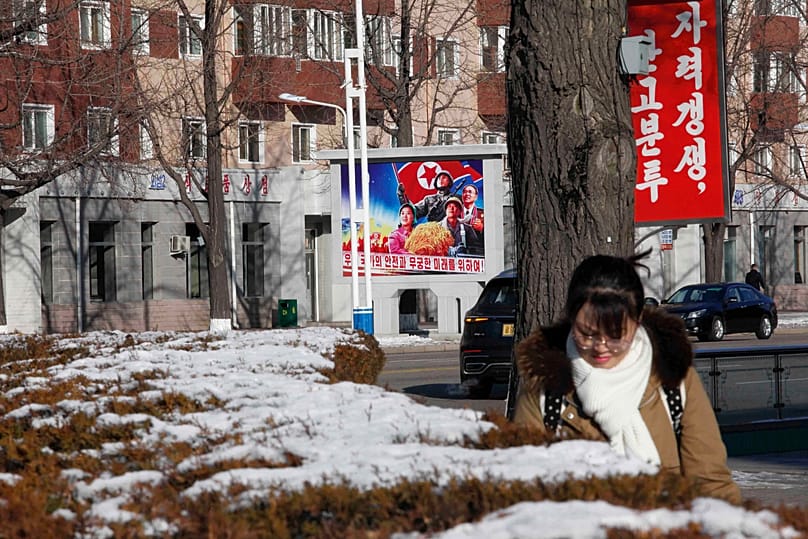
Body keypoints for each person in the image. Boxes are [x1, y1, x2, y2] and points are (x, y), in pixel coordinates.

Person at [512, 253, 741, 504]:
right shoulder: (545, 388)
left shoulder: (673, 380)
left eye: (616, 335)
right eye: (586, 334)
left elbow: (711, 484)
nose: (600, 347)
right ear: (570, 318)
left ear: (638, 319)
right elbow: (525, 495)